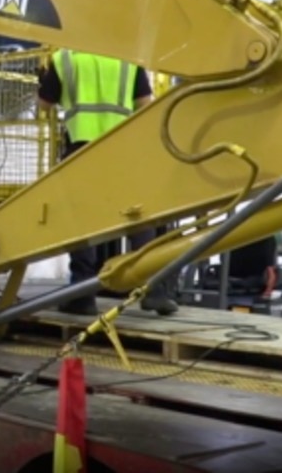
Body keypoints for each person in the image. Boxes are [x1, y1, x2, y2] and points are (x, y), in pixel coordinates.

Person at [37, 49, 179, 317]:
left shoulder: (65, 58)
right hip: (121, 148)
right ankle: (154, 291)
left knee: (82, 222)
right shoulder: (126, 59)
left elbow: (44, 106)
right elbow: (144, 103)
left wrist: (44, 80)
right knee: (137, 217)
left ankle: (82, 295)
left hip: (82, 148)